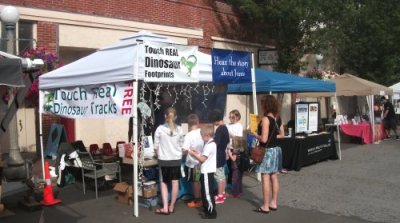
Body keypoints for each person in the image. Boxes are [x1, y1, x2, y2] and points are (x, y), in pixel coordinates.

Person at [251, 95, 282, 214]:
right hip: (274, 150)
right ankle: (273, 202)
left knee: (265, 177)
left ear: (265, 105)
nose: (261, 105)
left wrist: (255, 135)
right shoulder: (274, 118)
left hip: (267, 151)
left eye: (262, 103)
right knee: (273, 176)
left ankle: (265, 206)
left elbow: (263, 139)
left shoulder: (265, 119)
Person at [153, 107, 184, 215]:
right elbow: (182, 145)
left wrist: (157, 153)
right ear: (175, 117)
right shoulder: (180, 129)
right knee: (175, 183)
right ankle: (171, 206)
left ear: (165, 116)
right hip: (176, 159)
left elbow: (155, 147)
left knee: (164, 183)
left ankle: (165, 207)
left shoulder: (160, 129)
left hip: (164, 160)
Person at [188, 124, 218, 219]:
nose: (201, 137)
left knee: (207, 193)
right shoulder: (210, 143)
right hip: (207, 171)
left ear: (207, 135)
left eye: (202, 136)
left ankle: (211, 212)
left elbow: (202, 159)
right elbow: (204, 155)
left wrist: (193, 154)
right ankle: (207, 208)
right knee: (205, 191)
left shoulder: (209, 145)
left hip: (206, 172)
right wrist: (196, 152)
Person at [182, 114, 203, 208]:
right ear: (198, 122)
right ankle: (201, 198)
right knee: (199, 180)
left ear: (188, 124)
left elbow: (184, 150)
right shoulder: (202, 132)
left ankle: (197, 200)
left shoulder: (189, 135)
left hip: (192, 163)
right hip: (201, 161)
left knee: (195, 181)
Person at [209, 109, 230, 204]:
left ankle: (220, 196)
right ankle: (223, 193)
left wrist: (209, 141)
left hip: (218, 155)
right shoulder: (225, 128)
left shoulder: (219, 130)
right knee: (222, 175)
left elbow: (215, 143)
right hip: (222, 154)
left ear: (216, 120)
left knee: (219, 177)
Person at [226, 109, 243, 188]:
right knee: (228, 166)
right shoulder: (227, 125)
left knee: (235, 166)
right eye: (229, 117)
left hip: (235, 148)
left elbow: (238, 139)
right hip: (228, 148)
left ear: (237, 117)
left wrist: (231, 135)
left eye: (232, 117)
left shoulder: (239, 126)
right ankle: (229, 182)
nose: (230, 118)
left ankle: (235, 182)